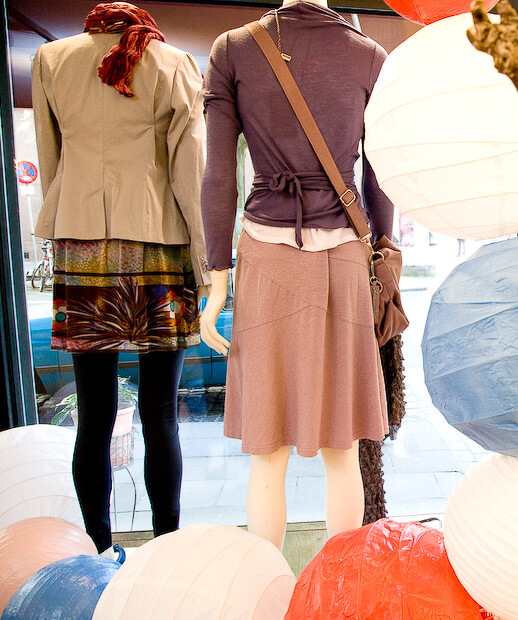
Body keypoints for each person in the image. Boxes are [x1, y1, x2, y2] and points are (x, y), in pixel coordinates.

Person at [199, 0, 394, 548]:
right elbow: (378, 175)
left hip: (265, 256)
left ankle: (268, 585)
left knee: (267, 453)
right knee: (342, 450)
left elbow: (219, 173)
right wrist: (383, 248)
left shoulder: (233, 49)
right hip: (345, 258)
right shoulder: (370, 56)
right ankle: (340, 586)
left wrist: (217, 281)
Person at [32, 2, 209, 552]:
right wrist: (203, 261)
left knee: (94, 413)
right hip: (159, 240)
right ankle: (166, 547)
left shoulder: (51, 59)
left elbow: (51, 159)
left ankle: (98, 549)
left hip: (82, 241)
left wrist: (62, 216)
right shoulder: (174, 62)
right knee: (160, 413)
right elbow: (189, 172)